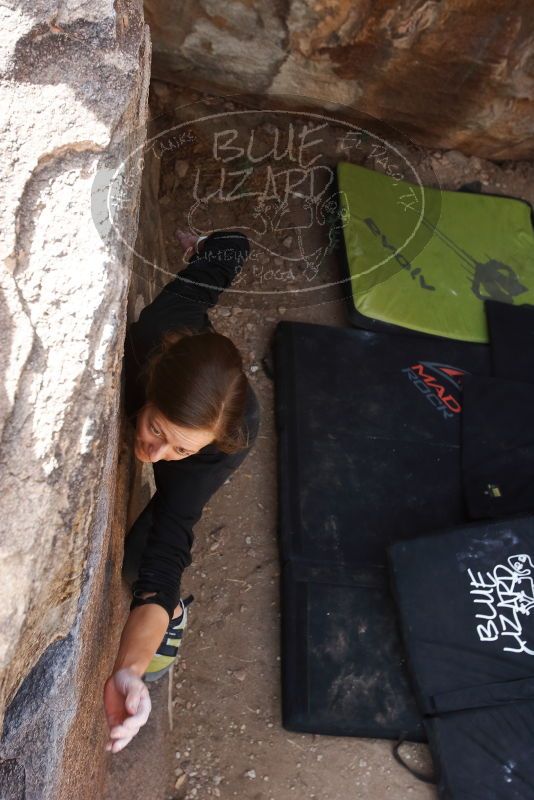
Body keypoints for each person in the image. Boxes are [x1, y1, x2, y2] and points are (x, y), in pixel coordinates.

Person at [103, 230, 260, 753]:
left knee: (138, 564)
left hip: (222, 429)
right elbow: (211, 272)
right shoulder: (156, 332)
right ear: (150, 388)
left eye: (178, 449)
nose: (155, 454)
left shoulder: (217, 449)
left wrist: (129, 669)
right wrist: (220, 245)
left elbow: (168, 547)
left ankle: (172, 615)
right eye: (155, 429)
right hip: (190, 362)